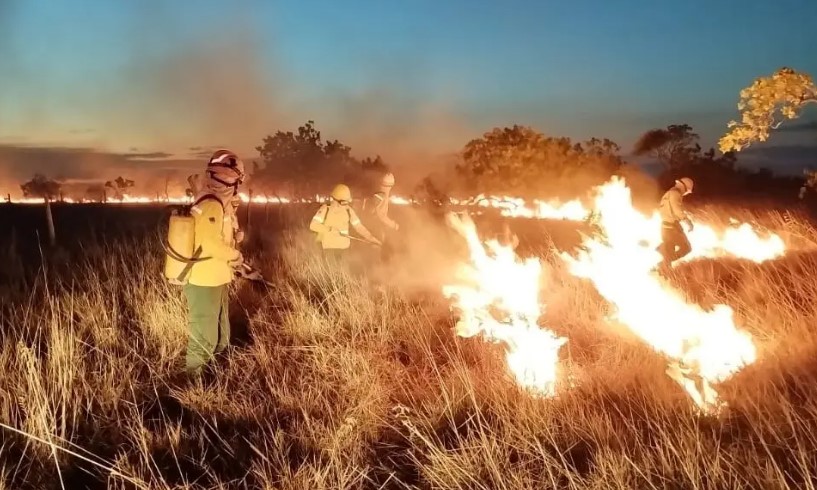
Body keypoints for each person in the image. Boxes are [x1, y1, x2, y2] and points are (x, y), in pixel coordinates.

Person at [184, 149, 245, 376]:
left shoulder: (220, 203)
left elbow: (218, 233)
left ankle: (213, 374)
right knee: (205, 335)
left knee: (221, 332)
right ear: (233, 179)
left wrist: (235, 237)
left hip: (217, 276)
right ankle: (192, 384)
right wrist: (235, 256)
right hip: (203, 278)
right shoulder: (211, 204)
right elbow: (209, 244)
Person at [310, 183, 381, 264]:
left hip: (344, 249)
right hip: (329, 249)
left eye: (347, 202)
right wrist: (329, 229)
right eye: (343, 202)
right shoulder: (325, 209)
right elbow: (313, 225)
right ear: (334, 200)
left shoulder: (348, 210)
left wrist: (372, 239)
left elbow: (359, 227)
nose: (345, 205)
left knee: (343, 273)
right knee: (331, 273)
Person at [361, 172, 400, 262]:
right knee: (377, 247)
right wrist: (393, 225)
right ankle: (374, 268)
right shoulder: (382, 196)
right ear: (391, 185)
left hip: (373, 225)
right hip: (376, 227)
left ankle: (373, 265)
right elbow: (381, 216)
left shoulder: (379, 194)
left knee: (375, 246)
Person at [658, 177, 694, 268]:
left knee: (669, 252)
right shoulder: (675, 194)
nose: (685, 193)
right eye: (687, 191)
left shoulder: (668, 193)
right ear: (684, 187)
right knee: (686, 248)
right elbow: (677, 210)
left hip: (665, 228)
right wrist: (688, 221)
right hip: (672, 228)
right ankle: (663, 261)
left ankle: (663, 269)